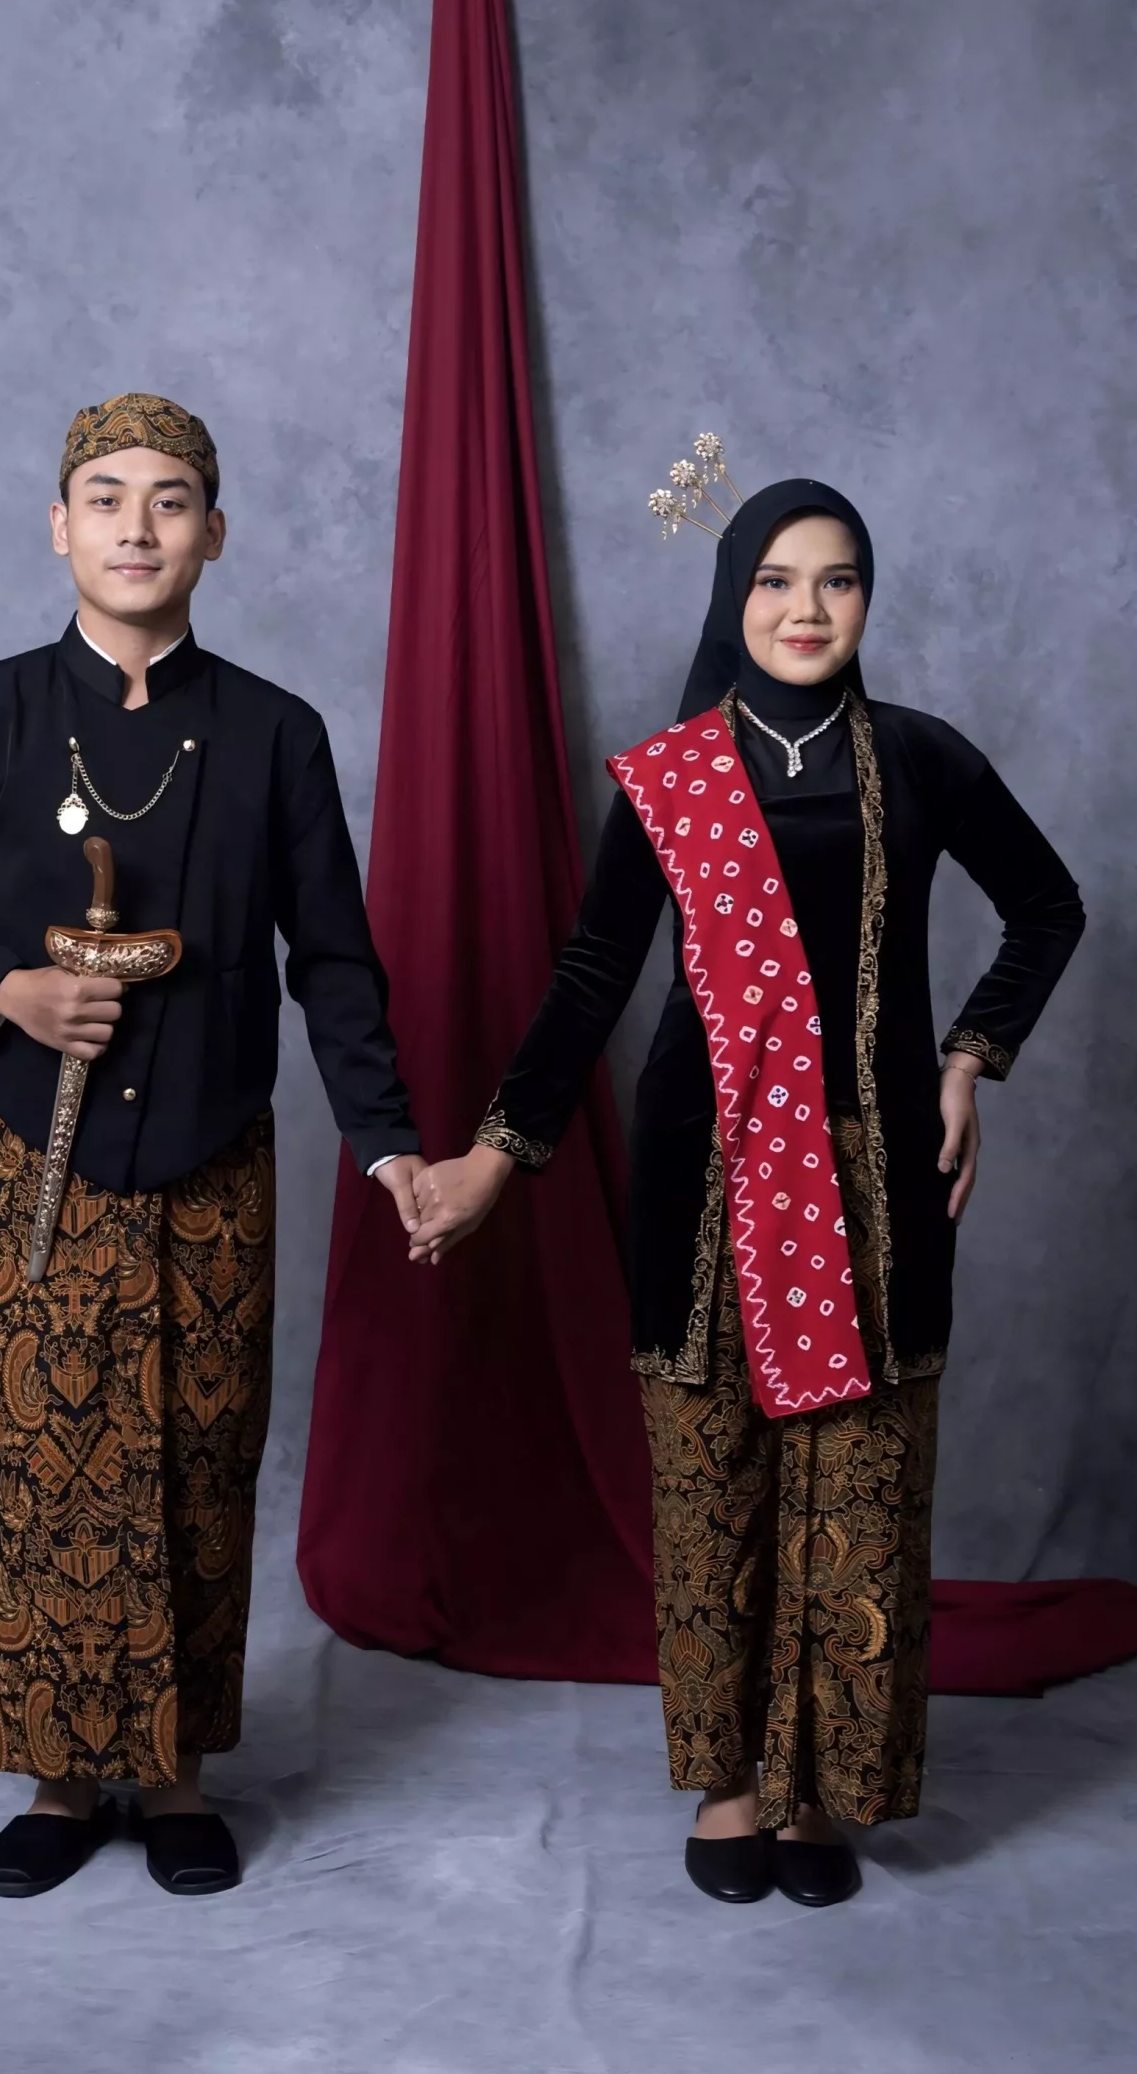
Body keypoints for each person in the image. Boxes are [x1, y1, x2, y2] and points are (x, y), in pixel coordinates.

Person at [411, 479, 1084, 1908]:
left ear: (868, 598)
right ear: (732, 595)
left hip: (876, 1180)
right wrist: (495, 1154)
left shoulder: (921, 759)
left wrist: (970, 1058)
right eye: (775, 580)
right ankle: (730, 1782)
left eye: (837, 580)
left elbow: (1047, 905)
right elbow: (596, 971)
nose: (805, 608)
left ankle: (820, 1791)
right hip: (705, 1183)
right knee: (714, 1479)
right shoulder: (674, 777)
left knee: (858, 1478)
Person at [0, 394, 427, 1901]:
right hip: (35, 1165)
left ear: (213, 535)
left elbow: (334, 960)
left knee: (196, 1464)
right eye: (105, 496)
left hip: (213, 1158)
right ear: (59, 526)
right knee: (42, 1468)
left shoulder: (276, 733)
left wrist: (386, 1147)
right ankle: (58, 1780)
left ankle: (174, 1778)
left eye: (171, 499)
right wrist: (1, 989)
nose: (136, 525)